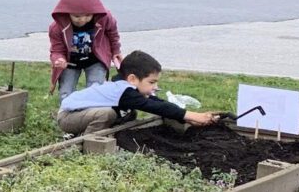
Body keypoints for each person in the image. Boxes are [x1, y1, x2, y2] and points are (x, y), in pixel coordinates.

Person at [57, 50, 217, 135]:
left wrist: (188, 116)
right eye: (152, 82)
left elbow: (158, 103)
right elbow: (153, 107)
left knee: (129, 113)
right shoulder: (124, 91)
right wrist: (191, 116)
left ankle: (110, 134)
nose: (155, 87)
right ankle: (88, 142)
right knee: (107, 114)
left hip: (82, 114)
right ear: (133, 79)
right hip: (68, 117)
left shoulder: (128, 89)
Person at [50, 0, 122, 100]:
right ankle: (67, 115)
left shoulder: (104, 18)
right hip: (70, 63)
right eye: (77, 16)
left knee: (96, 90)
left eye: (88, 15)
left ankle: (92, 114)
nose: (83, 19)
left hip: (95, 60)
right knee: (66, 92)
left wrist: (116, 51)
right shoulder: (57, 27)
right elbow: (56, 49)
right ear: (67, 13)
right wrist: (59, 59)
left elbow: (113, 34)